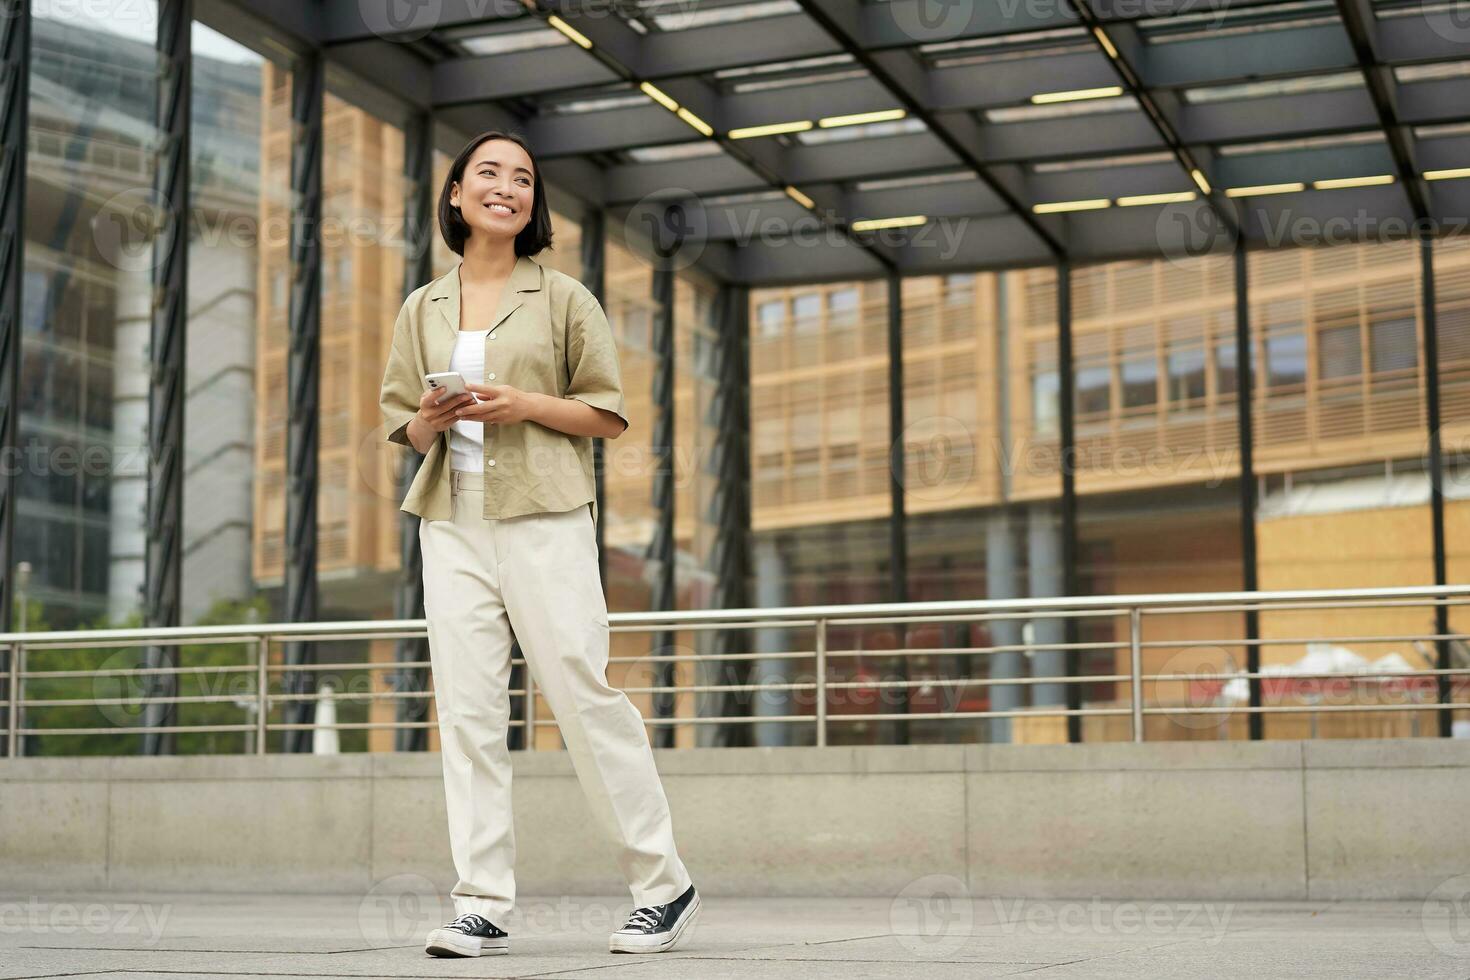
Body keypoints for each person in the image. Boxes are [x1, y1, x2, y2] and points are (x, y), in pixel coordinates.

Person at [378, 129, 699, 958]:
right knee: (470, 713)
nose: (506, 187)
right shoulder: (423, 307)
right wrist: (431, 419)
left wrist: (522, 403)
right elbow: (403, 429)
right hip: (450, 523)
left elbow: (606, 413)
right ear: (456, 195)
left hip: (546, 516)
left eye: (522, 179)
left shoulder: (563, 298)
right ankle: (481, 900)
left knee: (584, 696)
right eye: (489, 173)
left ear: (532, 204)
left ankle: (662, 885)